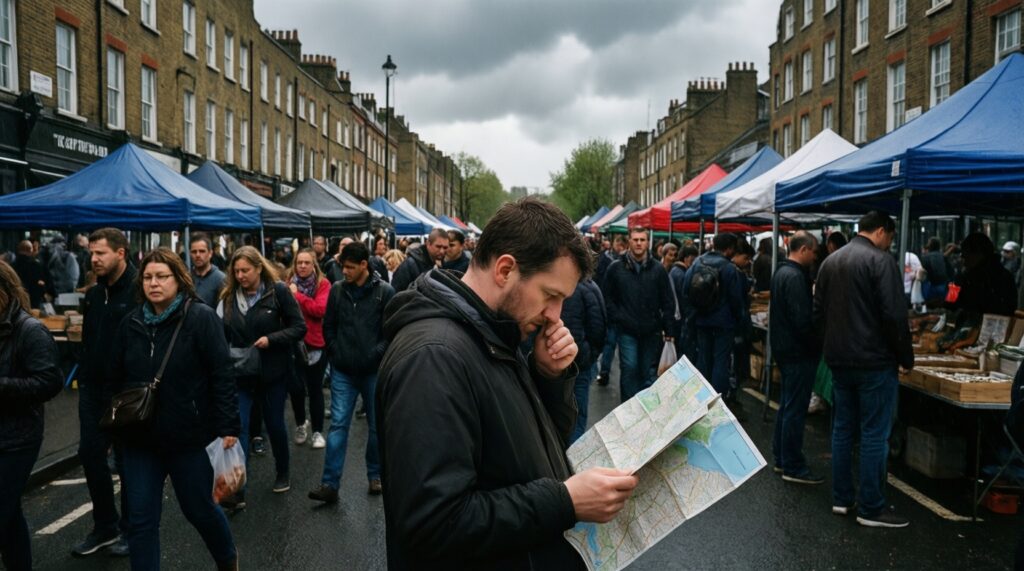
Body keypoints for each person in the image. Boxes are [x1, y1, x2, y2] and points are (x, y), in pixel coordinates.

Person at [376, 197, 638, 569]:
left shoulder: (495, 333)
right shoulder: (433, 357)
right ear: (504, 270)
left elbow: (528, 454)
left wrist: (547, 377)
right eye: (550, 295)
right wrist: (564, 502)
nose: (555, 316)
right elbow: (433, 524)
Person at [109, 248, 239, 571]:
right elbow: (114, 379)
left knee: (199, 509)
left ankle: (227, 558)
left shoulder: (201, 318)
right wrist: (112, 431)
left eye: (162, 277)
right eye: (148, 277)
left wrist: (228, 428)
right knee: (141, 520)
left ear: (179, 280)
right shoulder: (131, 323)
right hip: (140, 440)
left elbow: (222, 374)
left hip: (189, 438)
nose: (154, 283)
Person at [814, 211, 913, 528]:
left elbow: (819, 314)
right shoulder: (881, 262)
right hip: (874, 361)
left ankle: (842, 499)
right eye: (891, 237)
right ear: (883, 231)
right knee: (873, 434)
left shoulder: (831, 262)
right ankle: (871, 507)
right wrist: (906, 357)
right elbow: (894, 316)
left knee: (843, 429)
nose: (890, 243)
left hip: (840, 360)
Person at [308, 242, 395, 503]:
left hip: (373, 372)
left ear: (364, 266)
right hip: (343, 371)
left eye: (349, 267)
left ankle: (375, 475)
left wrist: (374, 355)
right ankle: (330, 484)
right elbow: (329, 326)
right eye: (342, 266)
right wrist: (336, 352)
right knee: (338, 426)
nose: (344, 271)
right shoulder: (337, 291)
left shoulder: (385, 292)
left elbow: (389, 331)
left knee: (377, 427)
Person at [219, 246, 306, 498]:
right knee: (240, 427)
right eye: (236, 271)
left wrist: (272, 338)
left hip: (272, 372)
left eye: (245, 270)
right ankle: (239, 487)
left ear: (259, 268)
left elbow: (298, 327)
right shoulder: (227, 297)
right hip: (241, 373)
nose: (240, 275)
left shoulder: (277, 291)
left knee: (275, 424)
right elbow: (221, 333)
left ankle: (282, 471)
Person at [74, 228, 137, 557]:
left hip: (125, 392)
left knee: (126, 463)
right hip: (93, 389)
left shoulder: (140, 290)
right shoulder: (95, 295)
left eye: (101, 253)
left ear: (121, 253)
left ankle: (129, 529)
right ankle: (105, 525)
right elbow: (88, 339)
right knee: (89, 454)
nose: (93, 259)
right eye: (92, 253)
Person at [0, 261, 63, 570]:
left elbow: (50, 382)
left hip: (17, 438)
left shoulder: (30, 330)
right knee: (9, 516)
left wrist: (2, 386)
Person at [769, 232, 823, 485]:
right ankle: (792, 463)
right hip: (797, 351)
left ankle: (782, 458)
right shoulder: (794, 277)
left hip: (785, 348)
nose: (815, 256)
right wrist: (816, 343)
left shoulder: (781, 272)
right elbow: (802, 320)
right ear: (803, 249)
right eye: (814, 251)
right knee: (794, 407)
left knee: (788, 405)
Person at [602, 227, 675, 402]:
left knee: (646, 372)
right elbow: (607, 297)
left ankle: (644, 411)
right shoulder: (616, 268)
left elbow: (667, 301)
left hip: (651, 330)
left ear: (647, 242)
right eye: (635, 239)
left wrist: (669, 329)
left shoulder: (657, 270)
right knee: (629, 368)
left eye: (642, 240)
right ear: (629, 242)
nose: (639, 243)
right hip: (627, 329)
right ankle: (628, 410)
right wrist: (618, 317)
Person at [683, 233, 746, 400]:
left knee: (703, 358)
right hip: (723, 322)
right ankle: (717, 400)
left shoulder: (698, 262)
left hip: (701, 319)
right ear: (730, 249)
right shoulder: (729, 268)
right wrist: (739, 320)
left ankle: (701, 397)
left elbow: (686, 288)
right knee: (721, 361)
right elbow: (736, 300)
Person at [287, 249, 330, 450]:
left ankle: (318, 431)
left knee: (315, 390)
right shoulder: (288, 284)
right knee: (295, 389)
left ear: (314, 265)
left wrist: (298, 297)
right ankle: (301, 424)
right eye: (299, 263)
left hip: (315, 343)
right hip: (293, 343)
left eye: (307, 263)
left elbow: (319, 310)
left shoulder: (323, 284)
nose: (302, 266)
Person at [560, 276, 606, 443]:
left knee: (571, 417)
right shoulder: (589, 287)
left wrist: (588, 355)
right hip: (578, 363)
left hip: (577, 363)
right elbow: (598, 328)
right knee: (576, 417)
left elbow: (598, 327)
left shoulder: (587, 288)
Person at [949, 233, 1017, 317]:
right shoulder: (1005, 276)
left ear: (978, 254)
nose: (963, 261)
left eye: (965, 256)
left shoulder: (969, 277)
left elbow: (950, 302)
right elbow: (950, 301)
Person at [595, 235, 626, 386]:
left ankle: (611, 373)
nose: (620, 246)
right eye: (618, 243)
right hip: (614, 312)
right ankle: (604, 372)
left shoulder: (625, 264)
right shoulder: (607, 260)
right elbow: (602, 285)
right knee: (610, 343)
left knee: (616, 345)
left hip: (624, 312)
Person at [670, 245, 699, 361]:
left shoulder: (674, 271)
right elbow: (684, 298)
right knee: (685, 351)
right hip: (682, 318)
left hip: (678, 317)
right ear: (687, 258)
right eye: (693, 258)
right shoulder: (681, 274)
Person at [190, 233, 226, 307]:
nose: (197, 255)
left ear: (210, 253)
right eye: (194, 252)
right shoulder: (186, 278)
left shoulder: (221, 279)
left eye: (202, 251)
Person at [11, 241, 46, 309]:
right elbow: (41, 283)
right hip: (33, 301)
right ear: (30, 250)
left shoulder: (11, 266)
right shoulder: (36, 265)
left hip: (16, 300)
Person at [920, 237, 951, 304]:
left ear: (930, 246)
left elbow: (923, 271)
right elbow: (950, 271)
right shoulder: (942, 256)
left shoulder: (926, 257)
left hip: (931, 286)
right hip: (943, 285)